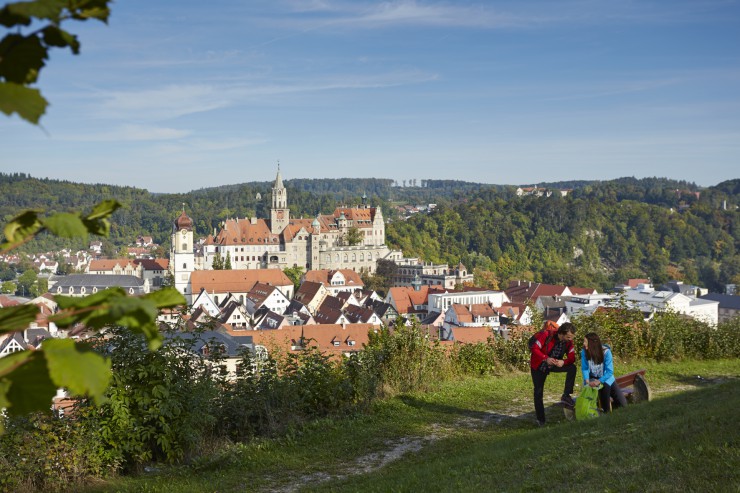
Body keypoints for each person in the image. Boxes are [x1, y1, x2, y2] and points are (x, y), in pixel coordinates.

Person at [529, 321, 577, 426]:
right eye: (568, 337)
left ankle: (566, 395)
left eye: (571, 337)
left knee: (572, 368)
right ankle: (541, 420)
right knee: (538, 392)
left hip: (554, 364)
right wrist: (545, 358)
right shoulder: (546, 335)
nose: (570, 339)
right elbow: (534, 349)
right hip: (539, 366)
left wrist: (564, 361)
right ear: (562, 334)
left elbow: (572, 357)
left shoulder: (568, 342)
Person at [581, 332, 628, 413]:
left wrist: (599, 381)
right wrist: (587, 381)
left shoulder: (606, 352)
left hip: (607, 378)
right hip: (593, 378)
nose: (583, 344)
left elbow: (610, 372)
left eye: (585, 342)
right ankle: (606, 412)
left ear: (592, 343)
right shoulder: (584, 352)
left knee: (623, 404)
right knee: (604, 403)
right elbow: (585, 368)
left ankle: (608, 409)